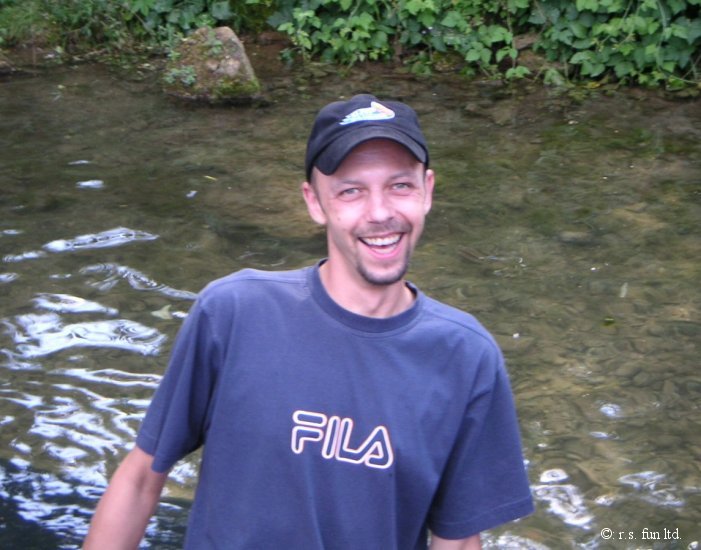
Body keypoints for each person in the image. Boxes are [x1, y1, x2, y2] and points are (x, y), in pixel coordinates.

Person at [84, 94, 534, 549]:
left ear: (427, 191)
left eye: (400, 185)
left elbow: (458, 539)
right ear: (314, 202)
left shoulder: (466, 357)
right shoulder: (233, 313)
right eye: (351, 191)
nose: (380, 213)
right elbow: (141, 479)